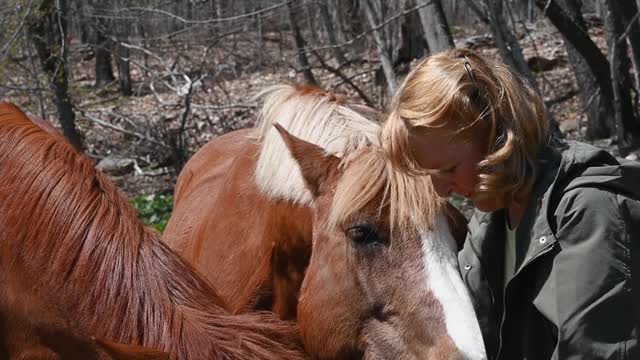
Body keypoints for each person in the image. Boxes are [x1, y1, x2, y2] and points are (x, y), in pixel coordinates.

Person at [381, 48, 640, 359]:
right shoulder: (488, 226)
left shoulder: (588, 211)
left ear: (497, 135)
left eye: (448, 169)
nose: (441, 190)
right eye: (430, 175)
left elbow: (595, 350)